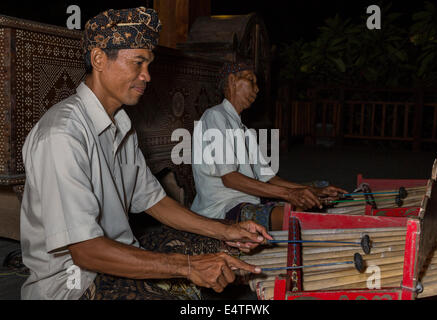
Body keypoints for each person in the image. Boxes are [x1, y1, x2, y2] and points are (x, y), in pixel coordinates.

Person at [19, 7, 271, 300]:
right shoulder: (62, 135)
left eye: (148, 64)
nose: (147, 76)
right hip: (75, 283)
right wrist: (187, 266)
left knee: (223, 250)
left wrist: (225, 230)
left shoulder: (122, 125)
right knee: (187, 282)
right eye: (138, 63)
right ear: (99, 59)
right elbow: (86, 251)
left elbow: (155, 201)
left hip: (122, 252)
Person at [191, 61, 347, 231]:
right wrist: (289, 194)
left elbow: (269, 178)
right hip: (222, 208)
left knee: (316, 194)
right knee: (300, 216)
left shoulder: (244, 130)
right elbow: (230, 178)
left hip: (249, 200)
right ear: (232, 81)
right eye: (252, 80)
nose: (257, 89)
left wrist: (312, 190)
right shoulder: (215, 115)